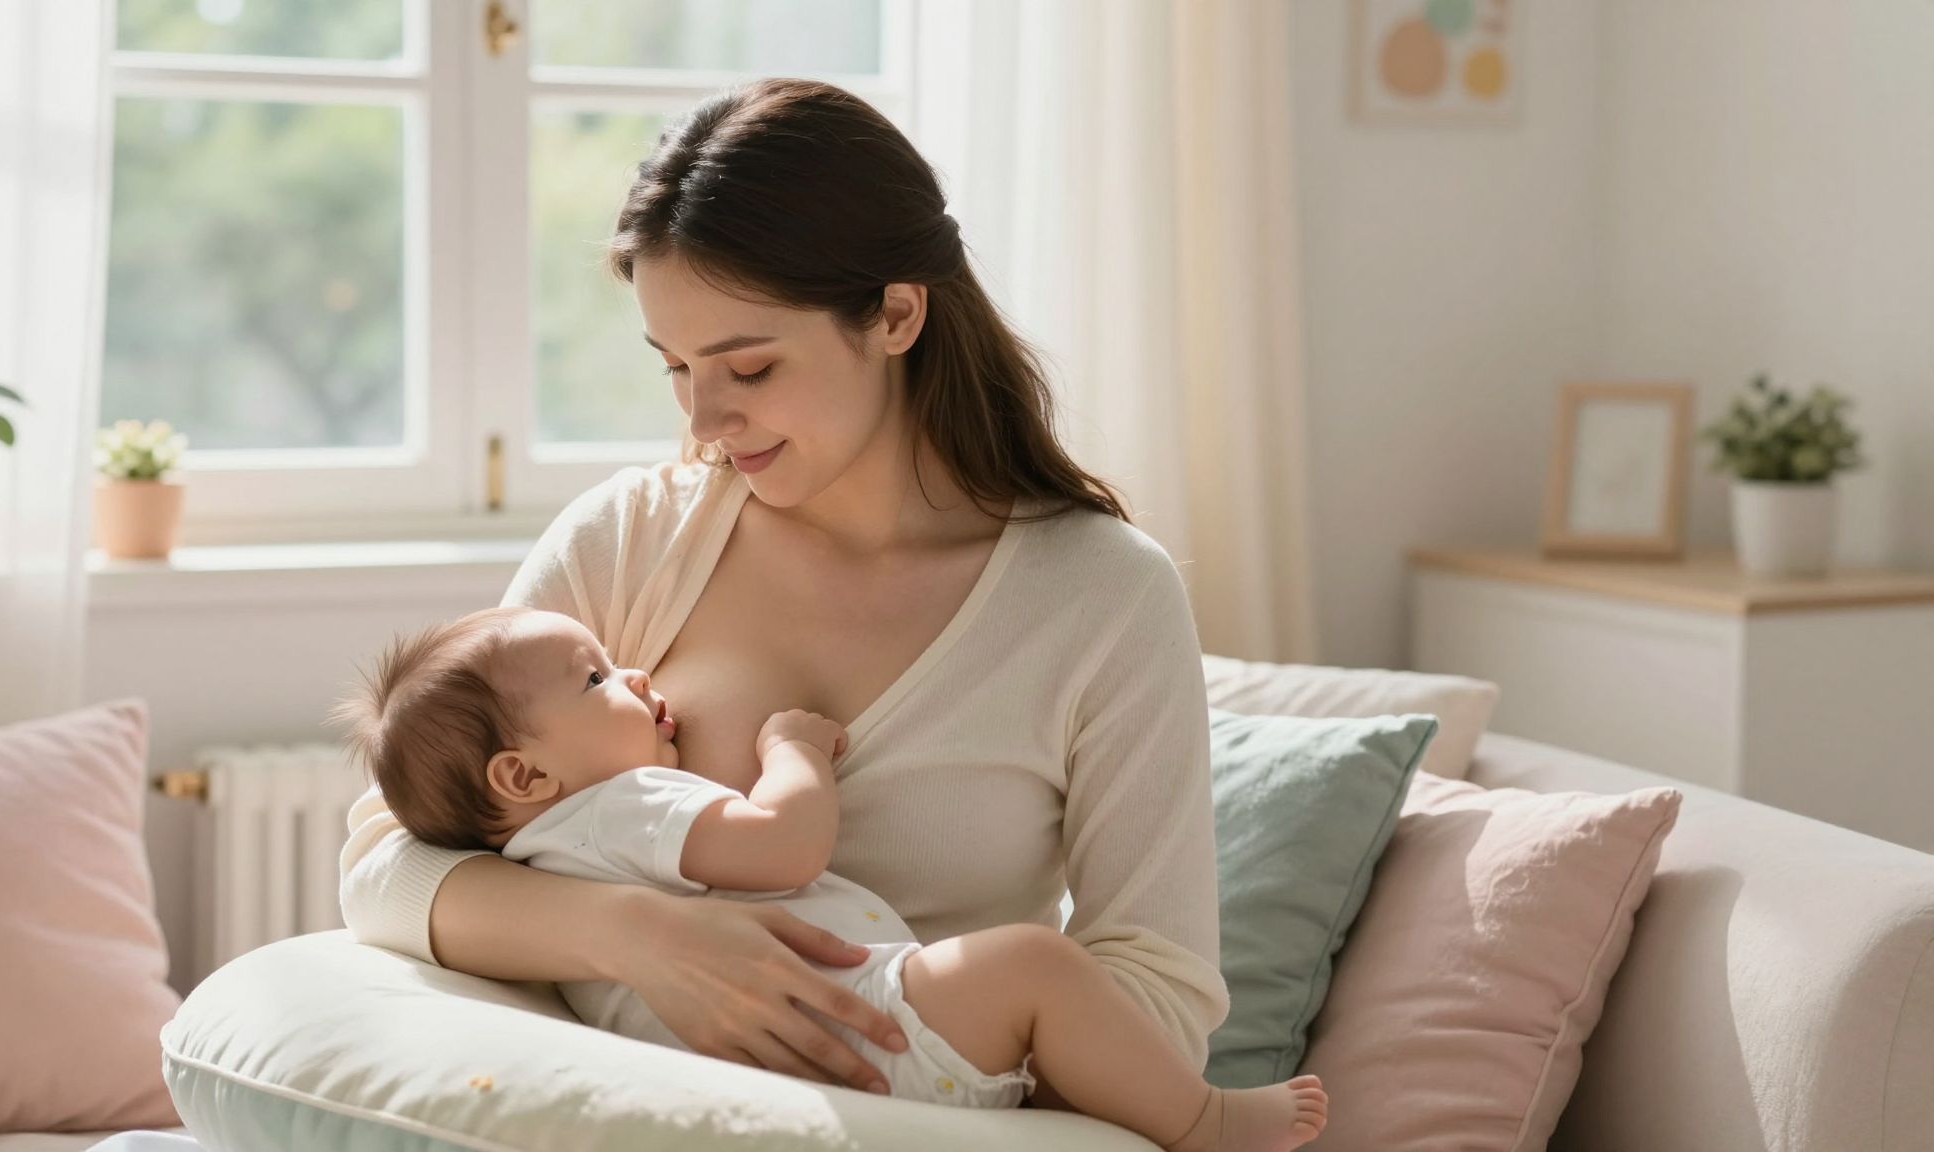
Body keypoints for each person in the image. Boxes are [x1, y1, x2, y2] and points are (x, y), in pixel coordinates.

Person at [339, 75, 1227, 1108]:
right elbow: (387, 872)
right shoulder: (630, 541)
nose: (705, 418)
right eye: (674, 367)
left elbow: (1156, 998)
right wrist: (647, 938)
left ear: (895, 313)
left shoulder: (1101, 599)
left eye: (748, 368)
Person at [335, 606, 1328, 1152]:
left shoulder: (533, 848)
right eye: (597, 678)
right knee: (1032, 965)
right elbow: (781, 848)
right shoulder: (624, 802)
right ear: (522, 775)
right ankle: (1206, 1121)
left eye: (749, 366)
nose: (634, 675)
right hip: (863, 1019)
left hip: (794, 1061)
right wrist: (790, 751)